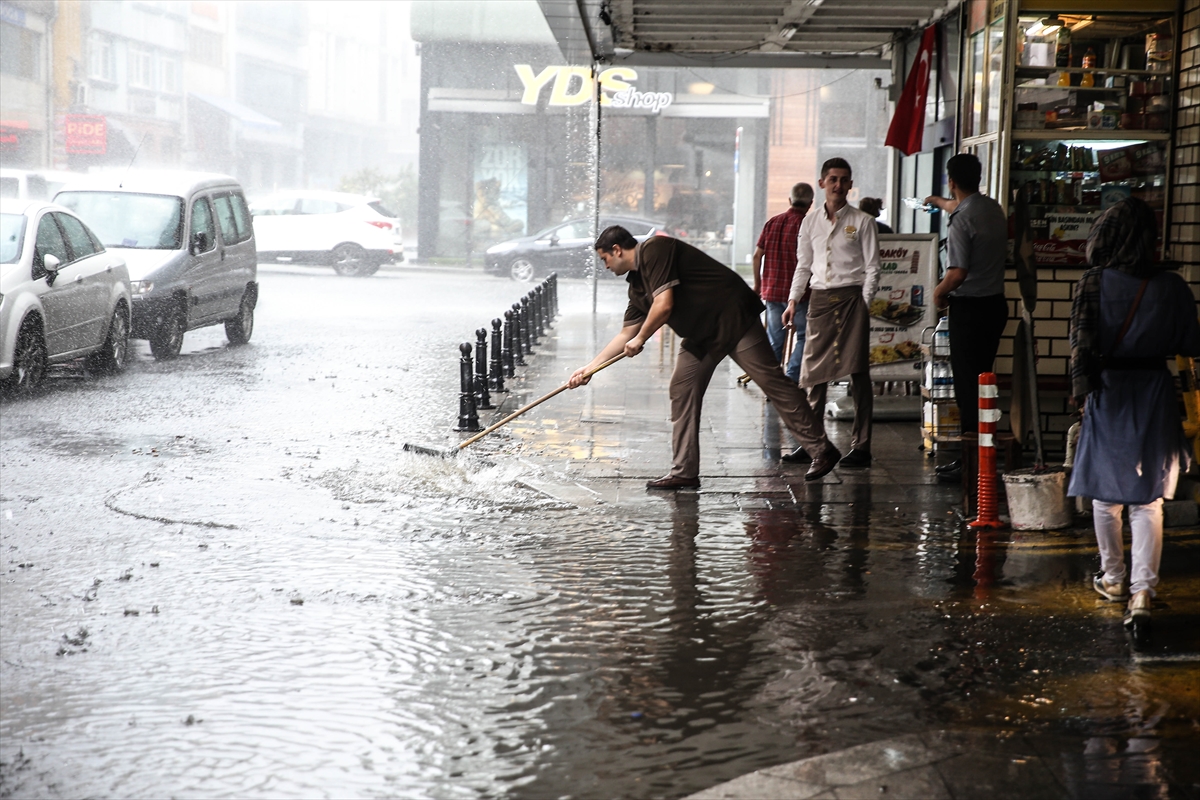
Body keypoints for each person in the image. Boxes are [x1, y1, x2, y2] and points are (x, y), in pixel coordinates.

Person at [569, 226, 841, 489]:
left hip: (733, 317)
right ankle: (684, 472)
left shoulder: (654, 249)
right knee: (682, 387)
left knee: (773, 382)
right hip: (702, 334)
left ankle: (823, 449)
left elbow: (664, 306)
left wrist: (641, 339)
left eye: (604, 259)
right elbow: (626, 333)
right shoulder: (637, 287)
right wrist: (590, 369)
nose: (605, 266)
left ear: (617, 250)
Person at [1067, 197, 1200, 635]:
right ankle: (1144, 591)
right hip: (1155, 391)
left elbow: (1081, 350)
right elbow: (1189, 342)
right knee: (1149, 499)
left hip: (1110, 390)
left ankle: (1113, 579)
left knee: (1106, 497)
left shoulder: (1092, 282)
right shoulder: (1175, 286)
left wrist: (1082, 393)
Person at [781, 158, 880, 469]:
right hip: (820, 299)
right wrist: (793, 299)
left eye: (844, 179)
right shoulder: (809, 223)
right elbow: (804, 265)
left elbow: (873, 267)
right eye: (833, 179)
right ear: (822, 183)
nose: (839, 185)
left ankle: (861, 446)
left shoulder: (864, 222)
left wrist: (864, 302)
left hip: (852, 298)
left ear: (851, 185)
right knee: (813, 375)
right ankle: (813, 444)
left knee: (859, 373)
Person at [925, 154, 1009, 484]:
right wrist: (936, 201)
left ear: (951, 181)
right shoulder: (992, 209)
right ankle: (982, 454)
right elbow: (957, 206)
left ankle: (968, 460)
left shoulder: (961, 219)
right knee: (984, 383)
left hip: (969, 311)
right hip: (995, 307)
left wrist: (938, 293)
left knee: (966, 387)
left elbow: (957, 272)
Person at [752, 182, 814, 382]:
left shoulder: (772, 223)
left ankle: (773, 384)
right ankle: (792, 377)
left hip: (772, 292)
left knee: (774, 341)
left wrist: (758, 284)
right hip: (800, 296)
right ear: (810, 203)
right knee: (804, 337)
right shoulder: (808, 225)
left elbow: (756, 256)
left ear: (790, 200)